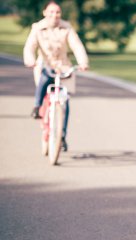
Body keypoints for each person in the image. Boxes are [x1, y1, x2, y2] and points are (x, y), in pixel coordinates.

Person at [23, 1, 89, 151]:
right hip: (45, 66)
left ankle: (62, 136)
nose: (55, 15)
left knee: (64, 101)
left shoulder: (67, 27)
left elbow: (77, 46)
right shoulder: (37, 28)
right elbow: (30, 47)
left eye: (58, 12)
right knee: (45, 78)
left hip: (63, 67)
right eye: (51, 12)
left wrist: (83, 62)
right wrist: (30, 60)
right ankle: (37, 106)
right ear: (45, 13)